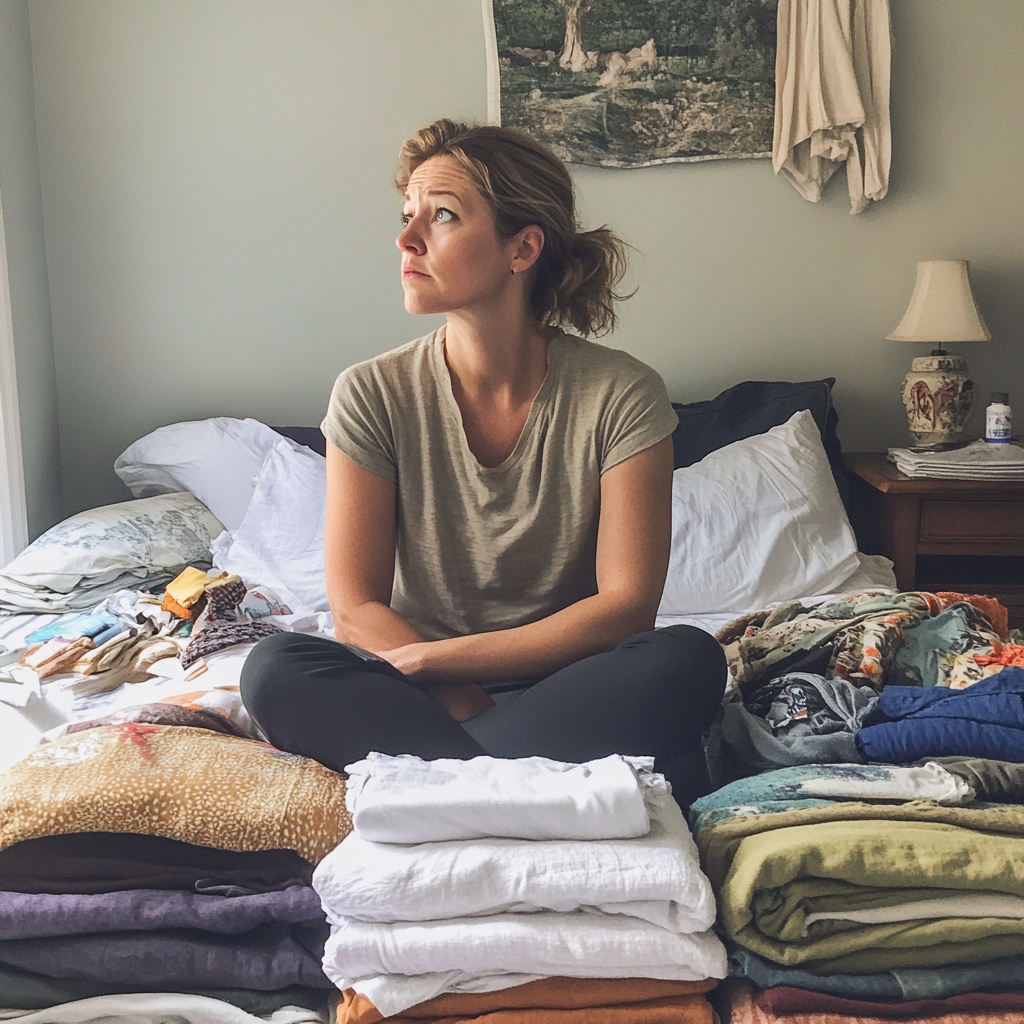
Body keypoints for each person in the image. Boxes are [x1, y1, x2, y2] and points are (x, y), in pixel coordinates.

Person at [241, 119, 725, 801]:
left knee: (688, 661)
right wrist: (458, 693)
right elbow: (354, 609)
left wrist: (443, 662)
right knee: (273, 669)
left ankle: (444, 788)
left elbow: (624, 610)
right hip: (417, 692)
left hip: (570, 685)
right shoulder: (371, 393)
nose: (406, 240)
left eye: (441, 216)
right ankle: (523, 781)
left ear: (522, 248)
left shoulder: (621, 393)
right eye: (407, 216)